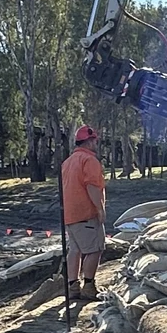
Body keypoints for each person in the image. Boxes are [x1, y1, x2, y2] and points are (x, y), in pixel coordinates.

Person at [61, 123, 106, 302]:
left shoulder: (68, 162)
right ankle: (88, 286)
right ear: (88, 141)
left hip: (70, 214)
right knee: (95, 249)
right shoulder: (89, 160)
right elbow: (92, 187)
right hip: (86, 213)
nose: (96, 144)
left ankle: (73, 286)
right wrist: (100, 209)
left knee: (75, 250)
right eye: (94, 140)